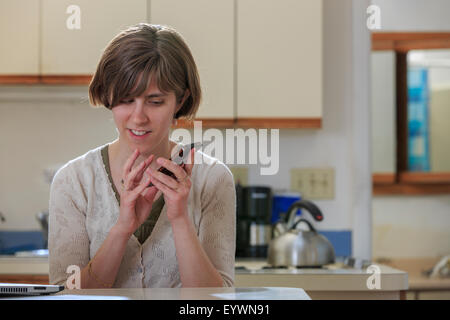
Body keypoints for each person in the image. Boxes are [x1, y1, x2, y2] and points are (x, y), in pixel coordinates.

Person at [48, 23, 236, 288]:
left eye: (155, 101)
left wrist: (180, 218)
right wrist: (122, 228)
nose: (138, 117)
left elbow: (217, 301)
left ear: (180, 101)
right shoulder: (73, 181)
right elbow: (68, 295)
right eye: (126, 100)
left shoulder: (213, 179)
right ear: (108, 97)